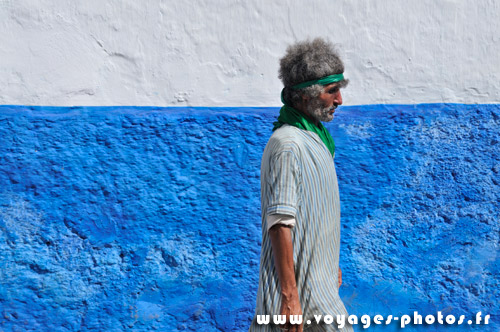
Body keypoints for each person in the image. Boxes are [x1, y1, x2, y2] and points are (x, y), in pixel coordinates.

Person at [249, 38, 353, 332]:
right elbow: (280, 222)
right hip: (302, 298)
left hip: (319, 288)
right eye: (331, 91)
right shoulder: (288, 145)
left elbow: (314, 211)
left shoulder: (316, 139)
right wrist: (289, 297)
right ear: (306, 96)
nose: (339, 101)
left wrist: (328, 260)